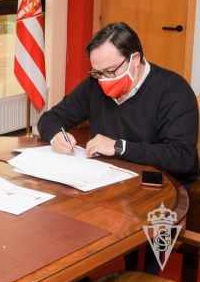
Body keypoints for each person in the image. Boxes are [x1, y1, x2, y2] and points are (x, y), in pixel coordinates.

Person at [38, 22, 198, 185]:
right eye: (98, 72)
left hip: (160, 186)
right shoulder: (94, 85)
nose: (104, 80)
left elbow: (182, 158)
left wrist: (119, 147)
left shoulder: (173, 90)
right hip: (105, 179)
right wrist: (55, 136)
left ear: (134, 59)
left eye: (110, 71)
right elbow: (50, 118)